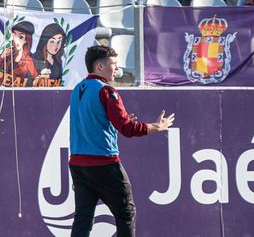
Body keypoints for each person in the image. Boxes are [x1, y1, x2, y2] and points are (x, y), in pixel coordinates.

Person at [67, 43, 175, 237]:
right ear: (100, 66)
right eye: (113, 63)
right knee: (126, 214)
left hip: (78, 165)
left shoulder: (77, 89)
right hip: (104, 164)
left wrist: (114, 120)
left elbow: (95, 121)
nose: (117, 68)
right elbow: (128, 129)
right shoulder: (107, 91)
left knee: (83, 218)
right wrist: (157, 126)